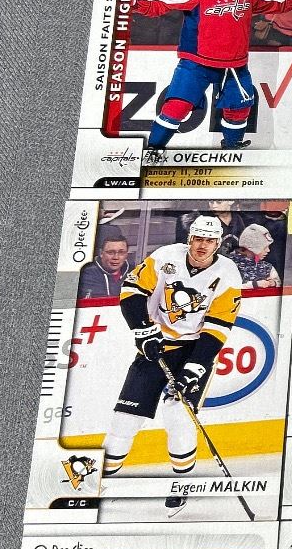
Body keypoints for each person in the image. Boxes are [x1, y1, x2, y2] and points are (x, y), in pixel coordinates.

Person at [102, 215, 242, 512]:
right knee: (124, 419)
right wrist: (143, 330)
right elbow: (131, 290)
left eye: (209, 241)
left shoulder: (228, 274)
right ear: (189, 238)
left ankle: (181, 484)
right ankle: (98, 481)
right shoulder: (165, 256)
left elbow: (218, 326)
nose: (202, 245)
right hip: (156, 343)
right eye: (198, 238)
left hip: (193, 350)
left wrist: (194, 368)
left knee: (178, 415)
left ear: (218, 243)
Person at [132, 0, 288, 152]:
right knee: (177, 107)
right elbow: (161, 3)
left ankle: (232, 147)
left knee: (239, 108)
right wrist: (132, 2)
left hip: (234, 65)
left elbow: (275, 2)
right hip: (197, 63)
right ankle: (154, 149)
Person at [79, 227, 130, 299]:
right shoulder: (87, 275)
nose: (116, 257)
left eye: (121, 252)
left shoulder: (134, 273)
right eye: (110, 252)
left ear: (126, 254)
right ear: (101, 253)